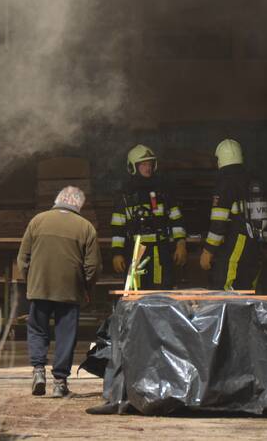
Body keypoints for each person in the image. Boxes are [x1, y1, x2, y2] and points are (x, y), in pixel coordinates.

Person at [18, 186, 101, 398]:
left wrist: (32, 281)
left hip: (40, 287)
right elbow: (93, 267)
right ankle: (60, 382)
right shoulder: (86, 227)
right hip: (70, 289)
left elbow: (23, 259)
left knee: (37, 329)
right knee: (66, 334)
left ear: (58, 200)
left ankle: (38, 371)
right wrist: (86, 288)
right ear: (78, 204)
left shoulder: (37, 221)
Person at [110, 144, 187, 289]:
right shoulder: (125, 196)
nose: (148, 168)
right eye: (143, 164)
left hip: (160, 250)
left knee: (161, 292)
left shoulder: (163, 191)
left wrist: (181, 243)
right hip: (136, 252)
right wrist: (117, 253)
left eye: (150, 164)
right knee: (136, 291)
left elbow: (176, 219)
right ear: (133, 167)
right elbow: (117, 227)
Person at [199, 139, 267, 290]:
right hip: (257, 241)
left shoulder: (225, 182)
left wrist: (208, 250)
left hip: (237, 240)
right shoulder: (253, 178)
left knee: (225, 282)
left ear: (220, 159)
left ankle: (227, 314)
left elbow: (218, 222)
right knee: (247, 285)